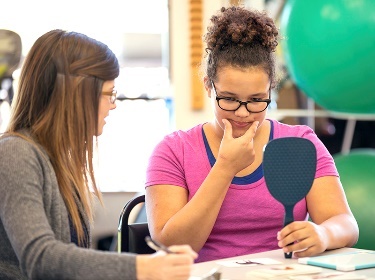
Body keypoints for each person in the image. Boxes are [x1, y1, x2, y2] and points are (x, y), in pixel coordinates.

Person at [145, 6, 359, 263]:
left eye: (257, 100)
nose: (243, 114)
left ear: (272, 88)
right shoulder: (173, 151)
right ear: (208, 85)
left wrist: (324, 234)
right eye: (230, 99)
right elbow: (171, 246)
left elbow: (345, 223)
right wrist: (225, 167)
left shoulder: (299, 143)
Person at [0, 29, 197, 280]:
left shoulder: (60, 163)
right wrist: (143, 268)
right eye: (108, 93)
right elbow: (41, 258)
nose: (113, 104)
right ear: (76, 93)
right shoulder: (15, 153)